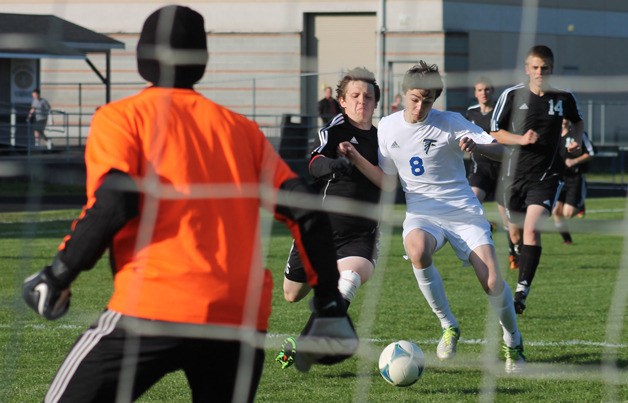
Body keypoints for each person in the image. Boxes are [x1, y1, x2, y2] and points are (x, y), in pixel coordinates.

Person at [21, 6, 357, 402]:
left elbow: (116, 201)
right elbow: (305, 210)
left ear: (142, 56)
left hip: (153, 303)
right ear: (202, 60)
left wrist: (59, 274)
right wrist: (329, 303)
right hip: (238, 317)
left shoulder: (121, 118)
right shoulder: (241, 130)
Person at [341, 61, 526, 374]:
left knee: (493, 281)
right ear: (404, 94)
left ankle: (513, 340)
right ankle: (449, 325)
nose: (420, 107)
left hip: (463, 211)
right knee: (417, 249)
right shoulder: (387, 126)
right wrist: (356, 158)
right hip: (422, 213)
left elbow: (503, 151)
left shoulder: (452, 122)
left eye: (427, 100)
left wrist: (478, 149)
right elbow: (388, 180)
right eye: (415, 99)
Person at [277, 67, 381, 370]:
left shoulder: (385, 137)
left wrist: (357, 162)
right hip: (321, 230)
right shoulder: (334, 130)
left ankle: (307, 343)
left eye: (369, 96)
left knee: (348, 280)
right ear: (343, 101)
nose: (363, 101)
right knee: (291, 294)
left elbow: (390, 182)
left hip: (361, 235)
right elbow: (314, 162)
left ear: (376, 102)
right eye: (355, 96)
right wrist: (335, 166)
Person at [491, 45, 584, 315]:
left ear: (551, 69)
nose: (540, 72)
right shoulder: (511, 95)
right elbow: (495, 131)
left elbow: (576, 122)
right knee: (515, 229)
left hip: (546, 176)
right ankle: (518, 252)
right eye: (535, 67)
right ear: (527, 69)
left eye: (544, 68)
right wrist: (521, 139)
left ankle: (522, 291)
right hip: (513, 176)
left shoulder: (564, 97)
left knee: (532, 228)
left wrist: (575, 142)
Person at [466, 76, 520, 270]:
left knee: (508, 219)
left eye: (487, 89)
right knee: (471, 202)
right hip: (480, 169)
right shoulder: (470, 113)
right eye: (480, 90)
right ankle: (479, 238)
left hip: (502, 170)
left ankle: (514, 249)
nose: (484, 93)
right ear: (475, 92)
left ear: (492, 91)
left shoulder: (501, 111)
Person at [553, 119, 595, 244]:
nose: (563, 119)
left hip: (574, 178)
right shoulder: (553, 134)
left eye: (566, 116)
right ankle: (567, 239)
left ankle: (580, 205)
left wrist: (574, 161)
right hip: (559, 178)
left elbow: (592, 152)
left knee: (567, 213)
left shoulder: (578, 134)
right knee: (556, 211)